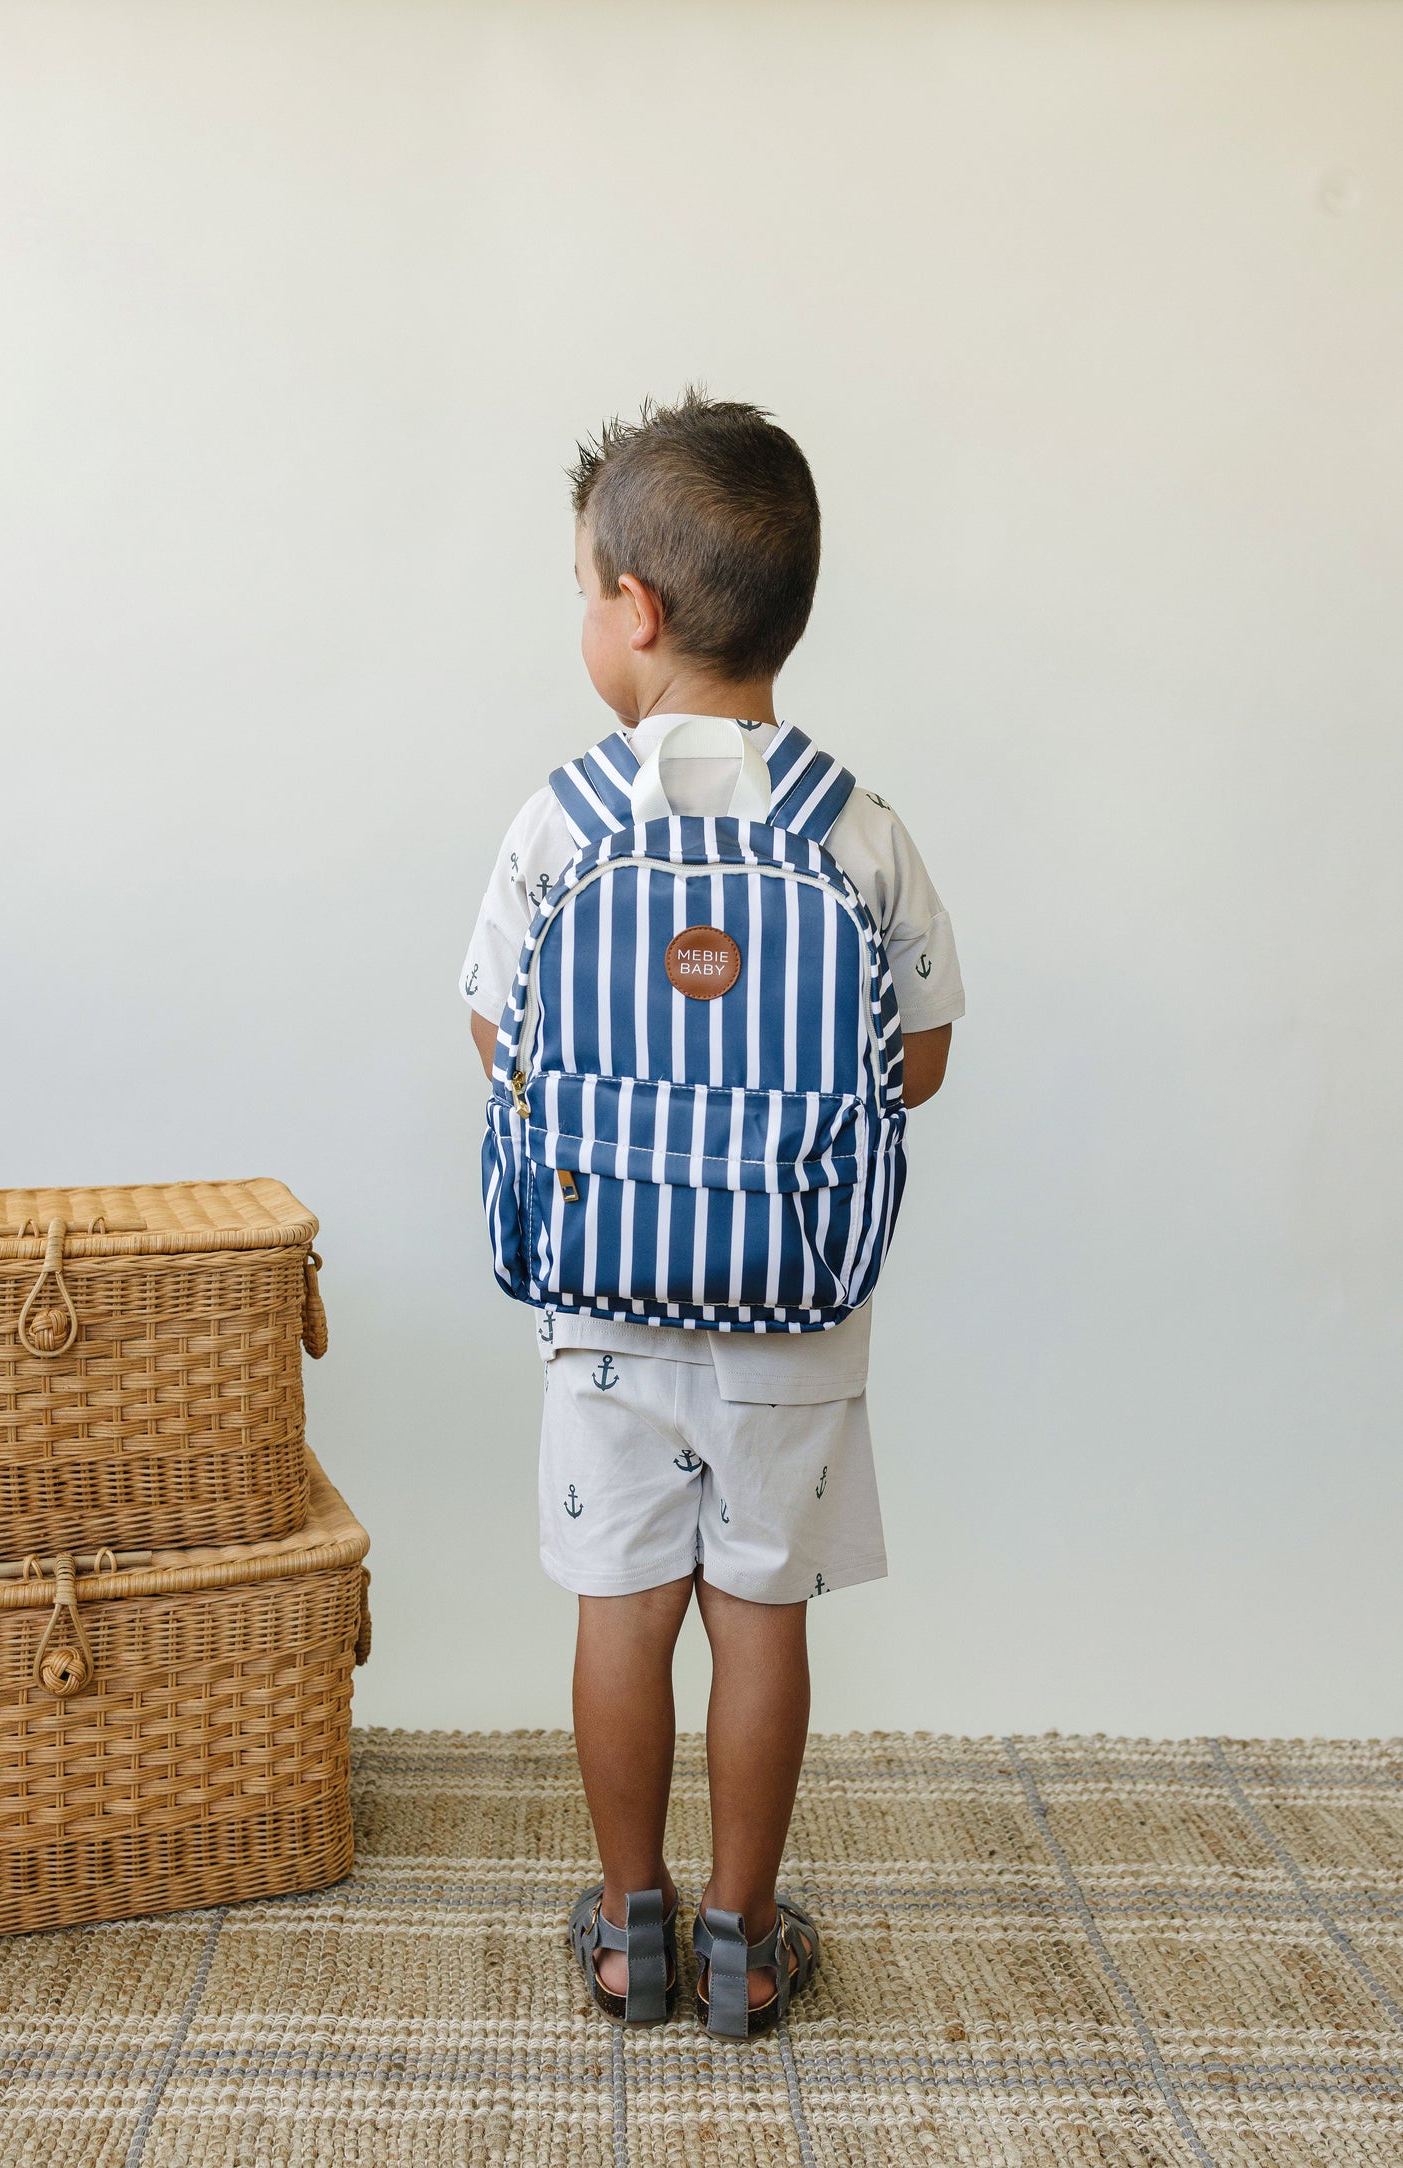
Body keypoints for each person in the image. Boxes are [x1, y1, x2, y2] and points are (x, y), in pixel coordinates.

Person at [461, 391, 963, 2035]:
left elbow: (496, 1039)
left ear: (638, 612)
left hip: (605, 1301)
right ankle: (744, 1937)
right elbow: (922, 1058)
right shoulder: (855, 829)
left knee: (627, 1611)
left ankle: (630, 1927)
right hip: (794, 1309)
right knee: (758, 1619)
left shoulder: (561, 824)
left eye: (580, 587)